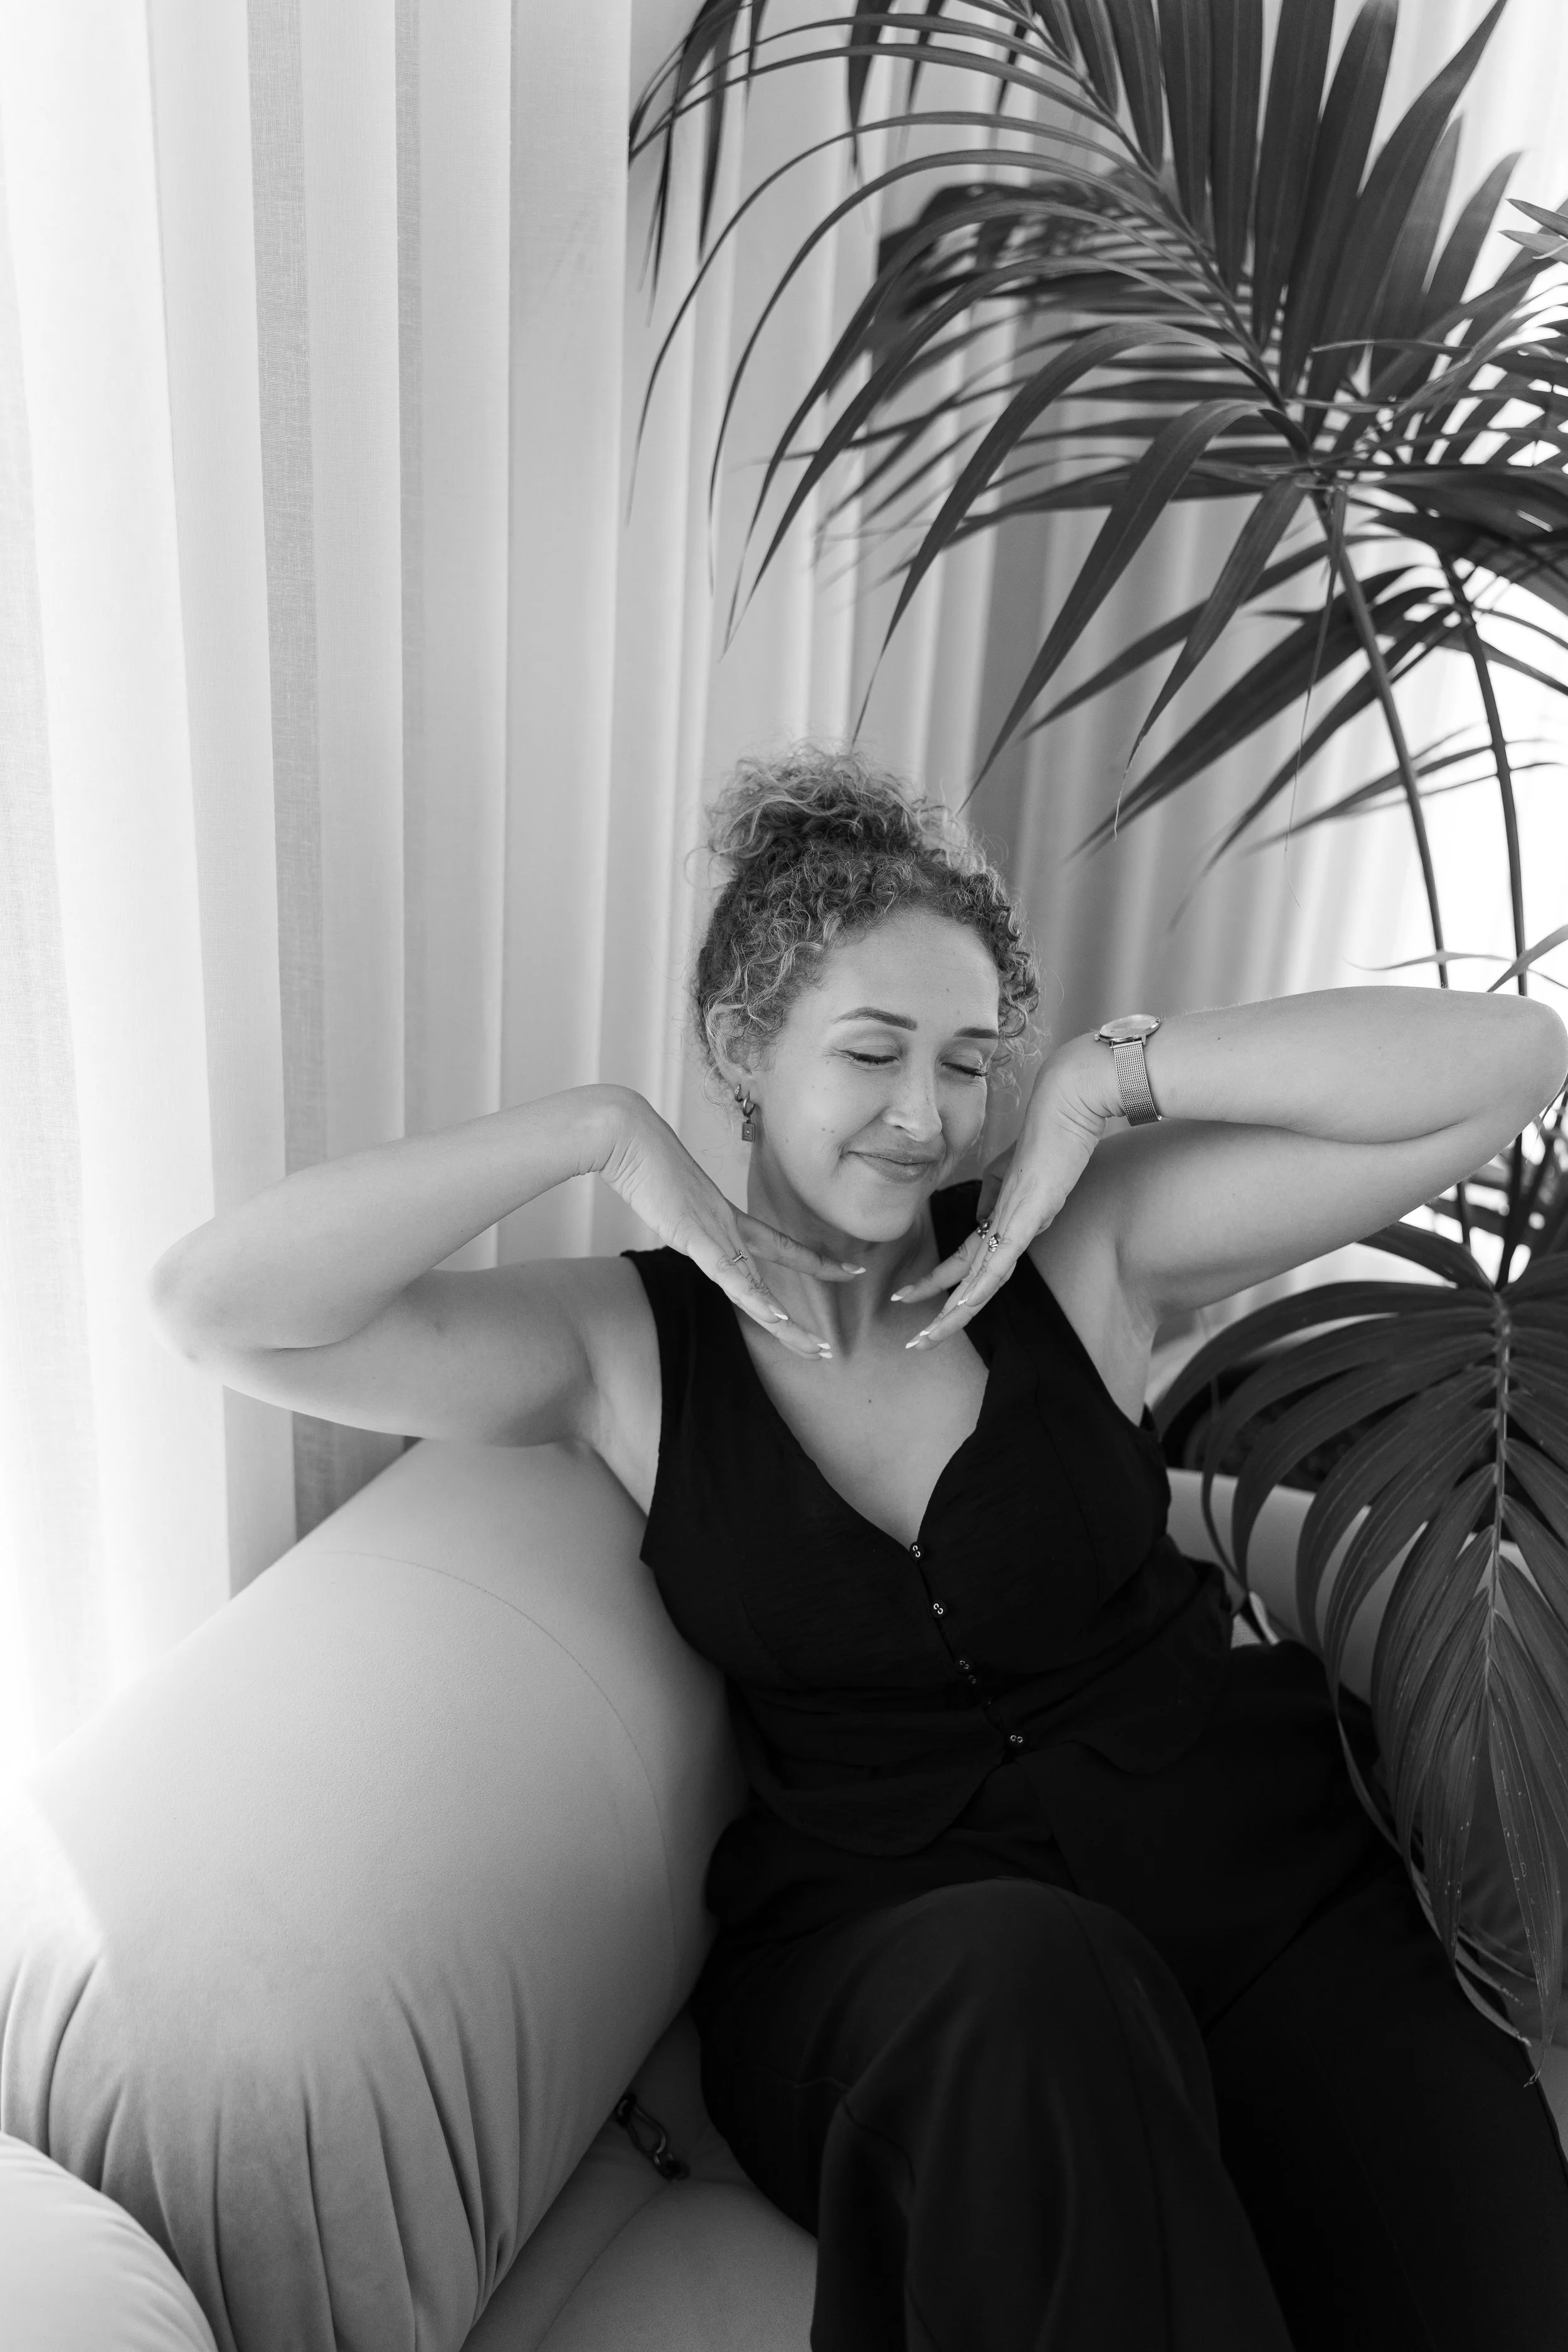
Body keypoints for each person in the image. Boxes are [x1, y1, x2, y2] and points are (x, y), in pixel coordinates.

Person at [150, 743, 1568, 2349]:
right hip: (909, 1975)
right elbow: (220, 1309)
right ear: (744, 1050)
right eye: (872, 1053)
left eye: (966, 1064)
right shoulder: (622, 1345)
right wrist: (595, 1130)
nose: (924, 1118)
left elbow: (1506, 1060)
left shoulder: (1077, 1251)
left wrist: (1107, 1075)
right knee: (1028, 1974)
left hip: (1261, 1890)